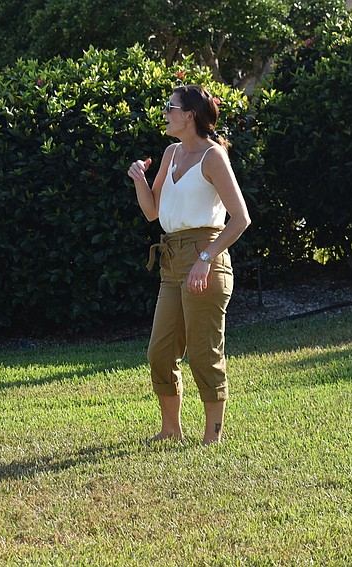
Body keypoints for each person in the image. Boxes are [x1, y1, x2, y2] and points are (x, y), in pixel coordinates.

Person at [127, 85, 251, 445]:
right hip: (171, 260)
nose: (165, 113)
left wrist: (205, 259)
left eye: (171, 107)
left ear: (190, 115)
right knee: (160, 352)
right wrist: (140, 180)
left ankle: (212, 435)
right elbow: (152, 211)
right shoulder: (171, 153)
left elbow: (240, 219)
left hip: (205, 259)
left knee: (202, 351)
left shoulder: (213, 157)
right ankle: (170, 429)